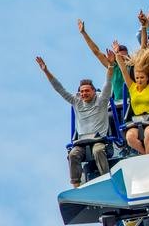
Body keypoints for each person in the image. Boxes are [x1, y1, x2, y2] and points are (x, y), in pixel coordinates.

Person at [36, 52, 114, 188]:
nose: (84, 94)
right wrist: (46, 71)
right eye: (82, 91)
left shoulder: (101, 100)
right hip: (82, 142)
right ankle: (76, 186)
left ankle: (106, 180)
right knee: (73, 154)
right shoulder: (76, 102)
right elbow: (59, 89)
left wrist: (111, 66)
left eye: (87, 91)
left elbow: (108, 84)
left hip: (99, 140)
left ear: (93, 91)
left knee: (98, 151)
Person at [114, 27, 149, 154]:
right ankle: (145, 156)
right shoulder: (132, 87)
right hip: (136, 119)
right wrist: (117, 54)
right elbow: (124, 71)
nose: (139, 80)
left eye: (142, 78)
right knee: (130, 138)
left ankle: (147, 155)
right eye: (137, 78)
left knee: (148, 134)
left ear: (147, 78)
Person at [77, 19, 128, 104]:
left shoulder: (132, 67)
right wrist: (83, 33)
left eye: (125, 56)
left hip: (132, 102)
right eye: (120, 55)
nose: (123, 58)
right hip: (118, 104)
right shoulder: (113, 67)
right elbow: (96, 52)